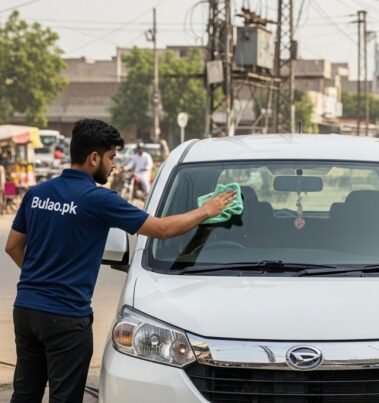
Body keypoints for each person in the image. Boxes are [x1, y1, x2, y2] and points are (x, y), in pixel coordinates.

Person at [4, 119, 235, 403]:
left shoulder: (38, 193)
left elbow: (13, 246)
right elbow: (161, 229)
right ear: (93, 158)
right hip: (66, 318)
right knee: (64, 397)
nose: (113, 165)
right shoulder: (98, 199)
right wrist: (206, 210)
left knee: (25, 393)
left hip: (26, 310)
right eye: (111, 157)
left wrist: (40, 279)